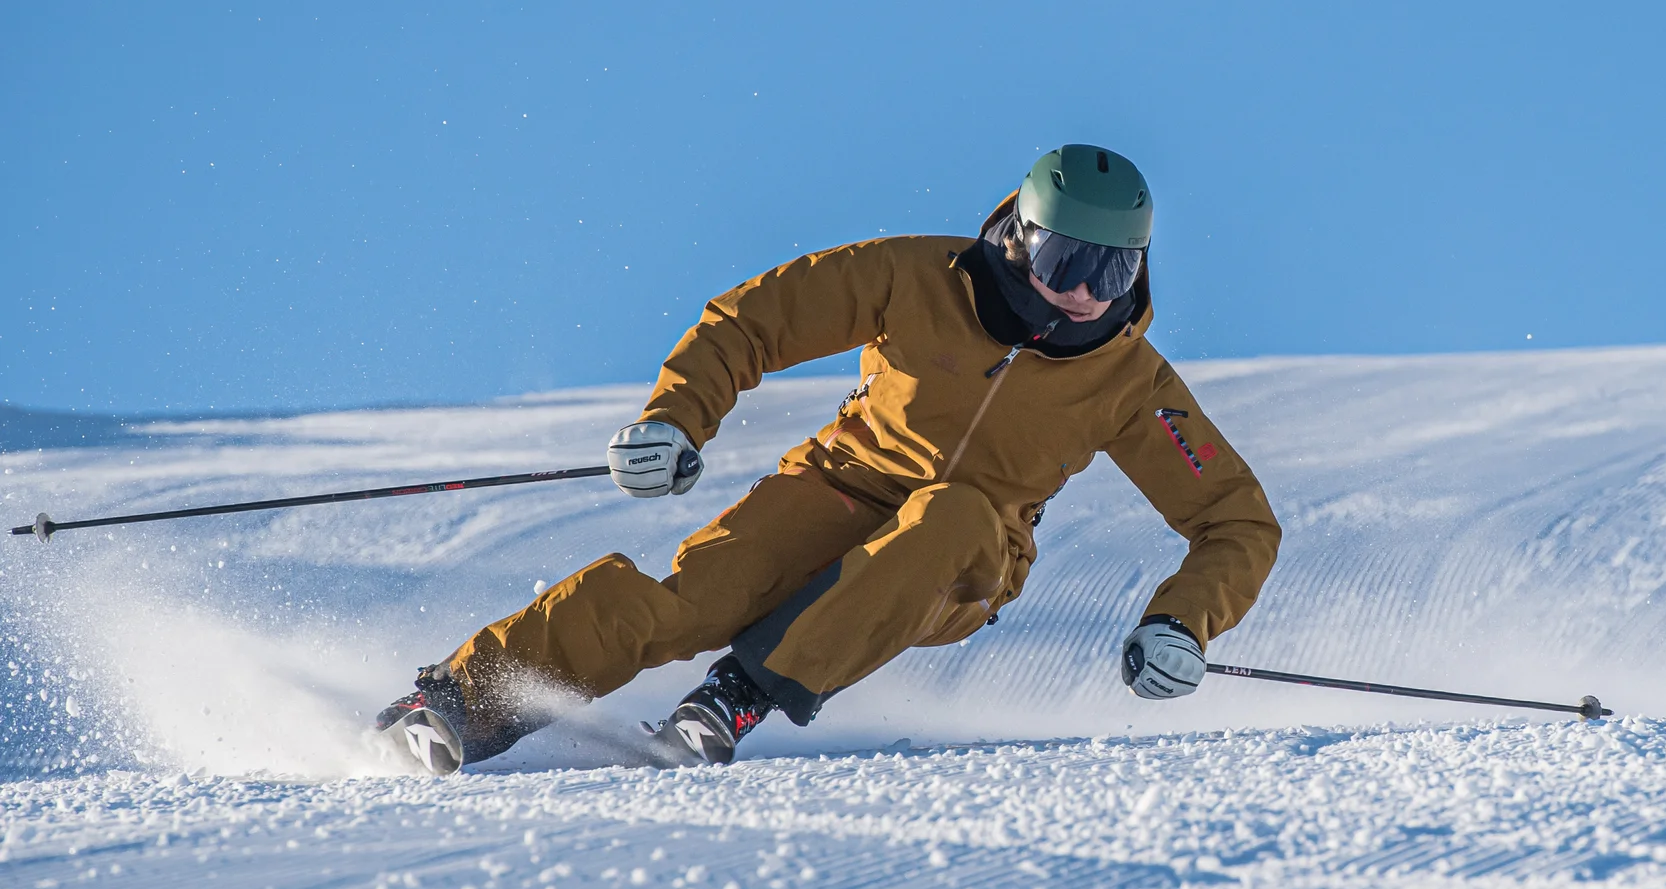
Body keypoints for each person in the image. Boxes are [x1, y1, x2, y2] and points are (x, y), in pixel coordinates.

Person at [372, 145, 1282, 774]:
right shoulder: (916, 276)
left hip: (969, 554)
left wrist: (1183, 623)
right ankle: (460, 701)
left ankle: (738, 695)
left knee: (952, 512)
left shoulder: (1132, 381)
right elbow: (752, 321)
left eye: (1113, 274)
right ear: (1021, 234)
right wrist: (676, 420)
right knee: (691, 603)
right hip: (836, 486)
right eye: (1070, 260)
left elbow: (1234, 522)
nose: (1085, 294)